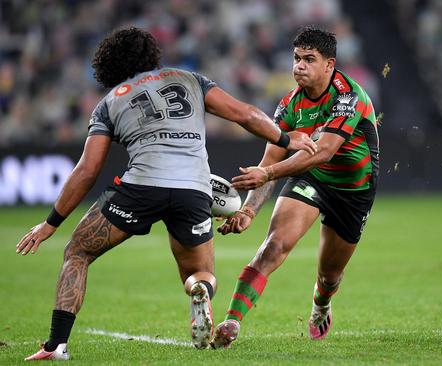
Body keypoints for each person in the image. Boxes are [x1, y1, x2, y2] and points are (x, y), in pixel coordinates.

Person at [16, 27, 317, 360]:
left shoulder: (109, 103)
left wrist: (51, 223)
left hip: (140, 186)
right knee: (199, 274)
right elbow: (245, 114)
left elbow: (87, 170)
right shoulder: (190, 79)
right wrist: (287, 140)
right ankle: (198, 291)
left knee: (78, 252)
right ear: (151, 55)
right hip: (194, 189)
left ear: (109, 66)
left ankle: (56, 345)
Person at [211, 26, 379, 348]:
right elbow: (268, 162)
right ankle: (231, 321)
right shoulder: (289, 105)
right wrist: (248, 209)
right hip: (310, 179)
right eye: (296, 58)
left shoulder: (348, 96)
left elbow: (325, 152)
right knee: (274, 246)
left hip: (353, 190)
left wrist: (269, 172)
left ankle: (321, 303)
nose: (299, 66)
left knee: (329, 276)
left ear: (329, 65)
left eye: (309, 59)